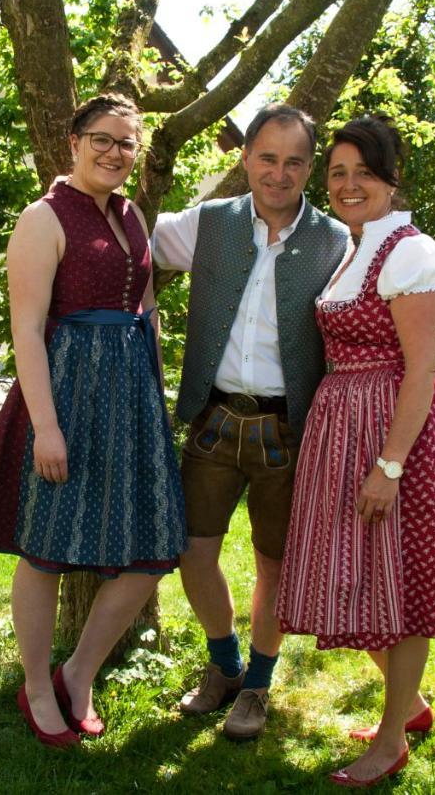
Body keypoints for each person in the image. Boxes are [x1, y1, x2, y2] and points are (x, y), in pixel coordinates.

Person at [0, 93, 186, 749]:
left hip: (131, 398)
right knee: (46, 547)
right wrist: (47, 427)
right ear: (74, 142)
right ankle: (36, 685)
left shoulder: (133, 214)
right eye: (103, 139)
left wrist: (155, 390)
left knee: (153, 546)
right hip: (65, 392)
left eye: (126, 143)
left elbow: (147, 307)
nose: (115, 152)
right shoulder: (42, 218)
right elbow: (26, 329)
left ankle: (78, 670)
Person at [275, 115, 435, 787]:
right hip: (345, 425)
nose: (347, 185)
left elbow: (423, 363)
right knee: (358, 576)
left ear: (390, 178)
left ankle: (392, 738)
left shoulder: (408, 252)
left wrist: (389, 465)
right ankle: (414, 704)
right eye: (337, 173)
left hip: (399, 432)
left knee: (400, 582)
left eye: (362, 173)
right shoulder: (354, 246)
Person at [151, 103, 351, 740]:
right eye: (267, 157)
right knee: (192, 553)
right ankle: (225, 663)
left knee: (275, 565)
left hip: (290, 430)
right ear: (245, 158)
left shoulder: (336, 240)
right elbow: (127, 240)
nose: (279, 173)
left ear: (309, 168)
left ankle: (258, 686)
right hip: (213, 420)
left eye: (294, 161)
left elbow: (383, 296)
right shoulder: (206, 224)